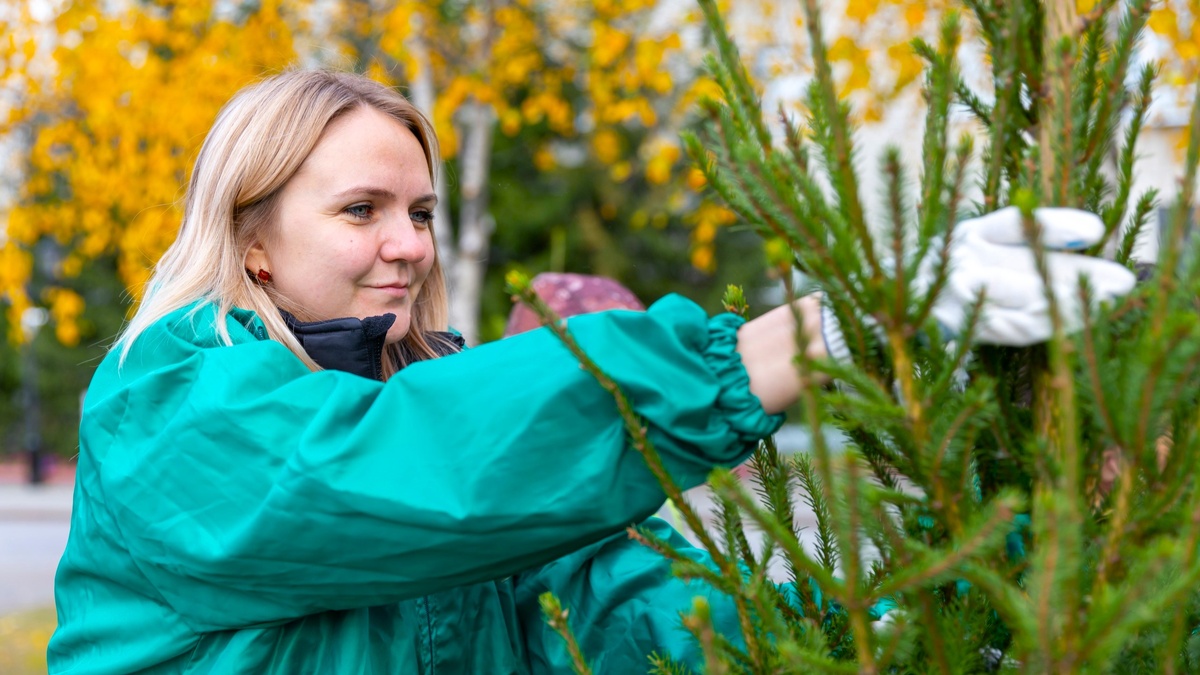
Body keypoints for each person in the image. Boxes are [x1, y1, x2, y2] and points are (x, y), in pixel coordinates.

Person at [48, 69, 1136, 674]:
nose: (409, 244)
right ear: (251, 241)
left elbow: (619, 607)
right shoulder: (172, 404)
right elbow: (397, 471)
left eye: (422, 212)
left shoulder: (446, 398)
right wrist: (820, 330)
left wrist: (902, 628)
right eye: (360, 211)